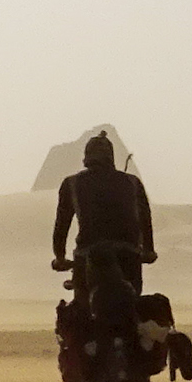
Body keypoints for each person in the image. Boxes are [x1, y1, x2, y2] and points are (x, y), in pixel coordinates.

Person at [51, 133, 155, 344]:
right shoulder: (132, 183)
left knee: (80, 312)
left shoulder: (72, 184)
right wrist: (148, 251)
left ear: (87, 157)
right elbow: (146, 222)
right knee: (135, 306)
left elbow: (61, 225)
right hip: (129, 261)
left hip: (88, 260)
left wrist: (59, 257)